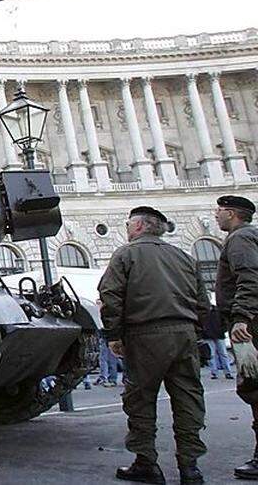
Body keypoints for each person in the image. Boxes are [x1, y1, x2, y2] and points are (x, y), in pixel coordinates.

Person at [99, 205, 210, 485]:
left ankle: (146, 462)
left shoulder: (126, 254)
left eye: (128, 226)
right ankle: (190, 467)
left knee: (140, 400)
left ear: (138, 227)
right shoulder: (184, 257)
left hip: (145, 335)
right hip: (184, 334)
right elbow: (203, 303)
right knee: (188, 400)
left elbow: (110, 295)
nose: (127, 230)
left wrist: (114, 335)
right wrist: (193, 331)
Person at [214, 195, 258, 479]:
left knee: (254, 387)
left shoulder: (239, 239)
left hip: (250, 324)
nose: (216, 215)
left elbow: (250, 277)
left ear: (231, 214)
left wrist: (241, 317)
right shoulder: (249, 236)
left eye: (219, 211)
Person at [201, 300, 234, 380]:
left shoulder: (216, 311)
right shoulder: (206, 312)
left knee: (223, 354)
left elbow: (224, 321)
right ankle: (215, 373)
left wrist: (223, 329)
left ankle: (227, 372)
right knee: (213, 355)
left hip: (217, 335)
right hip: (210, 335)